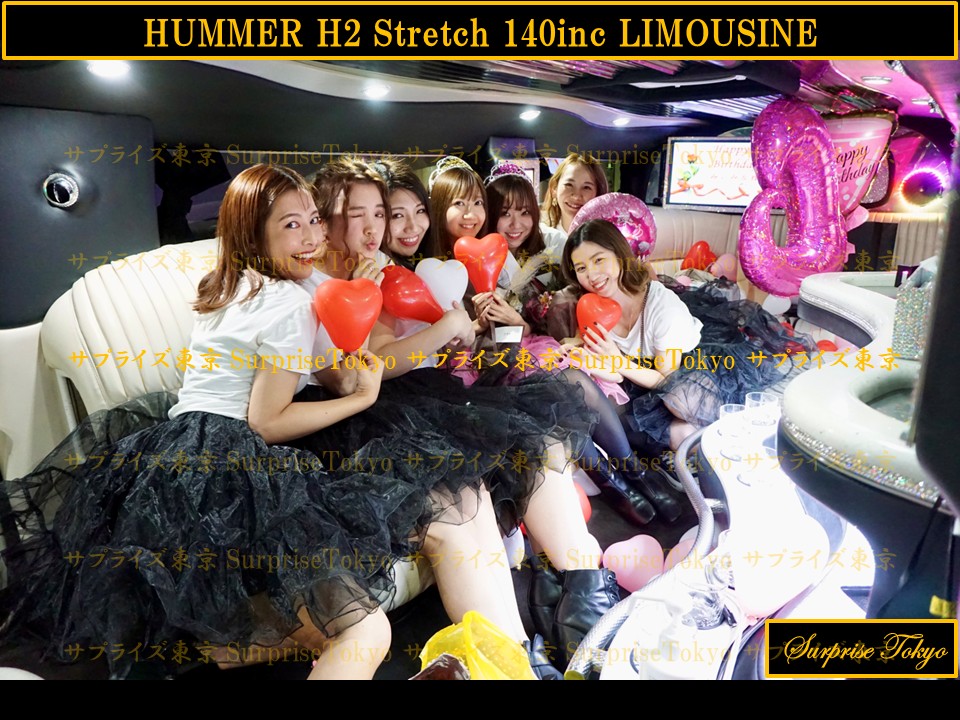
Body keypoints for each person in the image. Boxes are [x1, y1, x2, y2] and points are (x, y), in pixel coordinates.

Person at [0, 164, 406, 680]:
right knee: (365, 632)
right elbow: (267, 421)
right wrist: (361, 400)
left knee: (243, 629)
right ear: (253, 235)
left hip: (172, 453)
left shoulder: (227, 286)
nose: (310, 238)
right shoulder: (289, 303)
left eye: (313, 221)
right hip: (229, 462)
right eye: (291, 225)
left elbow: (312, 368)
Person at [305, 156, 620, 667]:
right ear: (324, 219)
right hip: (371, 415)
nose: (375, 226)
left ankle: (585, 602)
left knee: (535, 442)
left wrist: (461, 336)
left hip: (426, 397)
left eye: (380, 213)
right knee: (459, 498)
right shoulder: (318, 283)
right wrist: (444, 329)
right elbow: (361, 370)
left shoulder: (389, 268)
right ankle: (519, 659)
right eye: (359, 213)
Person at [481, 162, 683, 527]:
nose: (515, 223)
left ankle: (630, 478)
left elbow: (574, 314)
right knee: (557, 391)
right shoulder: (479, 262)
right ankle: (620, 485)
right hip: (508, 360)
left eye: (524, 212)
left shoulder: (551, 251)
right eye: (505, 213)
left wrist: (544, 327)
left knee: (570, 385)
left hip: (554, 352)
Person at [555, 218, 814, 455]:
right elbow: (601, 355)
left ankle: (734, 442)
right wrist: (578, 348)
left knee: (681, 405)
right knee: (675, 432)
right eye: (581, 267)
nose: (592, 274)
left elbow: (666, 379)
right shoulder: (590, 304)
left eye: (599, 260)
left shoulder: (661, 306)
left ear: (620, 256)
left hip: (683, 370)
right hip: (639, 375)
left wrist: (618, 362)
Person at [540, 152, 609, 235]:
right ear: (554, 188)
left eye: (586, 187)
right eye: (569, 185)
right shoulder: (540, 235)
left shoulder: (607, 239)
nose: (576, 196)